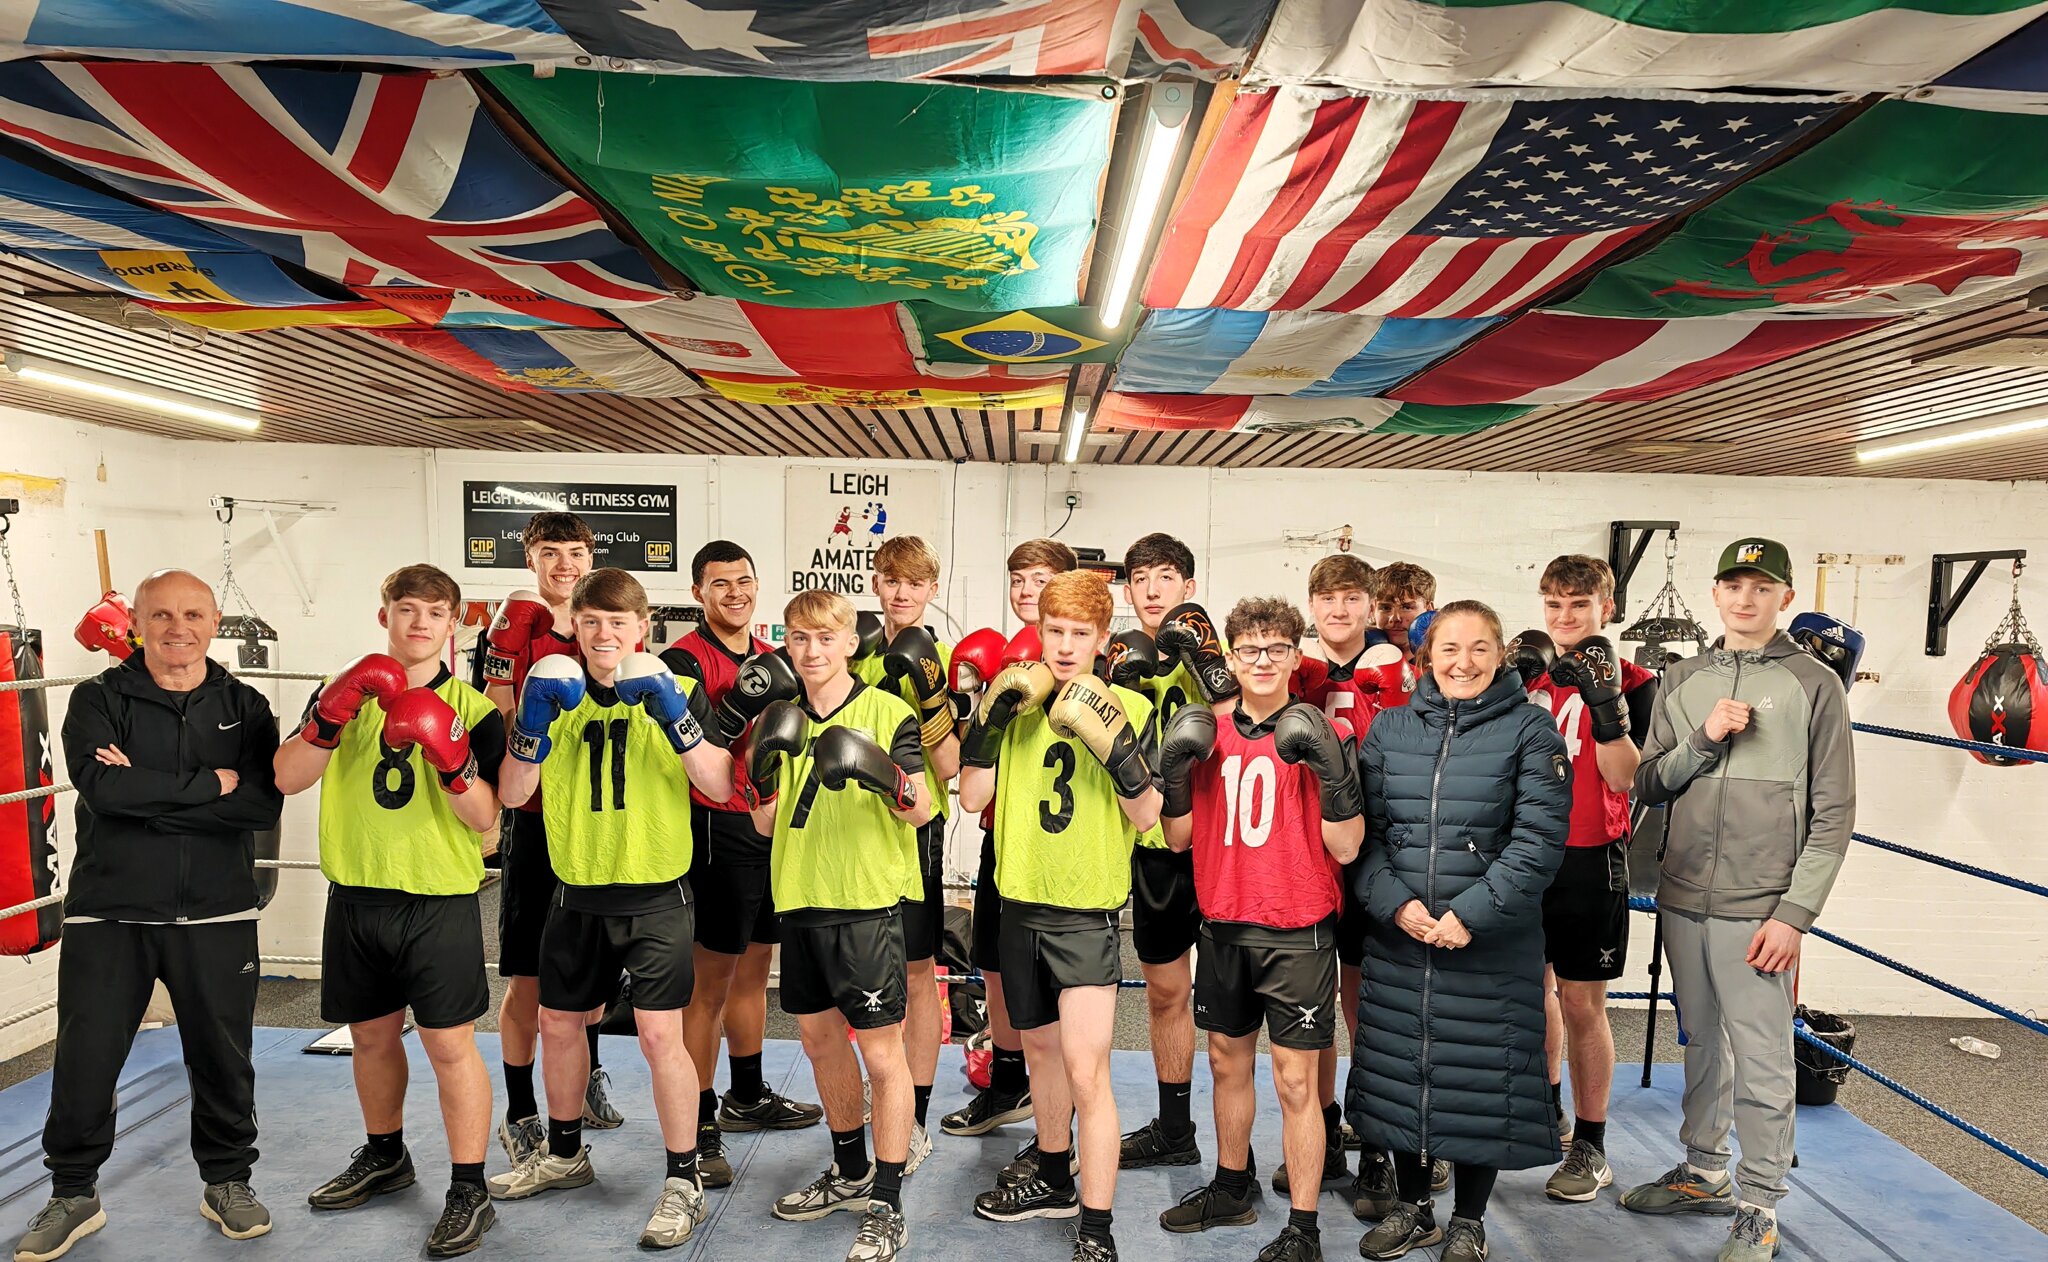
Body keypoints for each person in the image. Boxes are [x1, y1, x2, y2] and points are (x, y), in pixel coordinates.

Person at [22, 569, 283, 1261]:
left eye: (193, 614)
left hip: (218, 914)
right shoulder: (98, 699)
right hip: (111, 913)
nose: (178, 628)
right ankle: (72, 1193)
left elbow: (259, 804)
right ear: (135, 623)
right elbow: (104, 791)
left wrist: (152, 796)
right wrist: (208, 787)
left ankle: (227, 1181)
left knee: (224, 1059)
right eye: (161, 615)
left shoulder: (246, 706)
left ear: (215, 622)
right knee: (87, 1058)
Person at [486, 569, 738, 1251]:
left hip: (656, 895)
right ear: (574, 624)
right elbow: (513, 795)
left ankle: (683, 1179)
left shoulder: (675, 687)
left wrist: (675, 717)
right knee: (559, 1024)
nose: (604, 635)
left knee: (660, 1037)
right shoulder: (551, 691)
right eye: (591, 621)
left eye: (618, 623)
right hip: (576, 892)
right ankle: (566, 1153)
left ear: (642, 627)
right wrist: (529, 724)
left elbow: (719, 784)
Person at [1621, 538, 1856, 1262]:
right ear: (1716, 593)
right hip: (1685, 895)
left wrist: (1794, 915)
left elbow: (1834, 814)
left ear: (1785, 597)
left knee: (1762, 1058)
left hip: (1760, 906)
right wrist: (1704, 738)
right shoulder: (1682, 678)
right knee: (1701, 1043)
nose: (1745, 598)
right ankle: (1704, 1171)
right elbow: (1648, 782)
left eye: (1761, 587)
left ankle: (1759, 1204)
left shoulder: (1816, 684)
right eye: (1733, 585)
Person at [273, 564, 503, 1256]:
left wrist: (452, 759)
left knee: (449, 1046)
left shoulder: (477, 711)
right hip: (356, 894)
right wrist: (328, 716)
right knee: (371, 1038)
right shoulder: (339, 690)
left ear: (454, 623)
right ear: (386, 617)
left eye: (435, 612)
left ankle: (470, 1187)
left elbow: (487, 822)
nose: (420, 622)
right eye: (407, 609)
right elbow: (286, 777)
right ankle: (385, 1155)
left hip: (437, 900)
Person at [1349, 601, 1569, 1262]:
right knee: (1404, 1071)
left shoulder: (1532, 730)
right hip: (1403, 939)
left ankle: (1469, 1219)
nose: (1463, 662)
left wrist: (1470, 915)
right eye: (1450, 648)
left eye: (1479, 648)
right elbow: (1364, 839)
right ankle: (1415, 1209)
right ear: (1427, 657)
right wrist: (1395, 906)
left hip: (1490, 943)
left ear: (1500, 656)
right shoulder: (1389, 729)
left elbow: (1538, 841)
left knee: (1483, 1081)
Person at [960, 571, 1163, 1262]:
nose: (1067, 645)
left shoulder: (1132, 706)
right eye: (1056, 631)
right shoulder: (1016, 700)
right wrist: (988, 720)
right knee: (1041, 1054)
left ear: (1103, 639)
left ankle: (1098, 1230)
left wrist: (1120, 752)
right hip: (1020, 904)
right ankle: (1052, 1178)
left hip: (1085, 913)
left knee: (1086, 1069)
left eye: (1081, 633)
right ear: (1039, 632)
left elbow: (1148, 815)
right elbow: (971, 798)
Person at [1157, 598, 1364, 1262]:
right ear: (1231, 656)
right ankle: (1231, 1187)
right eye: (1250, 649)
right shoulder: (1207, 733)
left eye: (1277, 649)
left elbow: (1348, 846)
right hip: (1223, 925)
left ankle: (1304, 1227)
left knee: (1296, 1082)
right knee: (1226, 1063)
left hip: (1297, 931)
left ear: (1296, 656)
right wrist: (1173, 775)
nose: (1264, 661)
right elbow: (1177, 837)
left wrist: (1332, 770)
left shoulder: (1322, 734)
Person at [745, 590, 932, 1262]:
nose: (812, 650)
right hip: (800, 901)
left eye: (826, 638)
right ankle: (850, 1171)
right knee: (821, 1045)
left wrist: (880, 772)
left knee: (883, 1057)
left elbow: (922, 808)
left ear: (851, 643)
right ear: (787, 645)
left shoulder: (888, 712)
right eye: (799, 638)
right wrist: (760, 775)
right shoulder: (779, 718)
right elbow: (765, 824)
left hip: (866, 906)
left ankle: (887, 1202)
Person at [662, 542, 820, 1189]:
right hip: (715, 829)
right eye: (720, 583)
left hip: (768, 824)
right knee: (710, 984)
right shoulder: (681, 662)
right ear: (698, 593)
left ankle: (747, 1095)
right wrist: (738, 707)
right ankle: (699, 1126)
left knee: (757, 968)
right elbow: (696, 748)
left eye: (744, 581)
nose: (735, 593)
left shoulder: (770, 655)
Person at [1507, 556, 1658, 1205]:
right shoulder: (1528, 671)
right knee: (1528, 992)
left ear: (1607, 608)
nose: (1565, 616)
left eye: (1579, 604)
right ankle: (1547, 1110)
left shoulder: (1637, 682)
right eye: (1554, 604)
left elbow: (1626, 777)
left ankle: (1591, 1146)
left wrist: (1604, 702)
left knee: (1581, 1002)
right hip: (1522, 852)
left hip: (1590, 857)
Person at [480, 512, 617, 1159]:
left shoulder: (604, 623)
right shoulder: (518, 624)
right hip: (537, 820)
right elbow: (497, 716)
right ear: (530, 558)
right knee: (529, 976)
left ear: (591, 558)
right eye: (550, 552)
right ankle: (520, 1110)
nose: (565, 564)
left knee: (593, 976)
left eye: (575, 552)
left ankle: (586, 1077)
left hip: (597, 823)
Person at [941, 538, 1078, 1146]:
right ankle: (1006, 1083)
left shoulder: (1077, 666)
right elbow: (973, 765)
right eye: (1018, 579)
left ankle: (1060, 1127)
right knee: (994, 966)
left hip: (1056, 846)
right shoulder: (999, 654)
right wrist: (975, 700)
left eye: (1040, 578)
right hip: (1000, 833)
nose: (1026, 590)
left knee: (1057, 988)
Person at [1291, 553, 1409, 1214]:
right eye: (1327, 598)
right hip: (1308, 853)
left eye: (1350, 598)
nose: (1338, 610)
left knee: (1369, 1005)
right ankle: (1327, 1135)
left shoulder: (1397, 669)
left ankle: (1379, 1151)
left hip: (1378, 851)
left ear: (1369, 604)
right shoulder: (1294, 670)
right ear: (1312, 605)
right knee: (1312, 1009)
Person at [853, 536, 962, 1173]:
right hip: (855, 828)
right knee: (865, 965)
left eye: (915, 583)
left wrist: (931, 694)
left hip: (916, 826)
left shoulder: (943, 660)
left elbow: (948, 765)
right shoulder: (855, 650)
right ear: (876, 581)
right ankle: (880, 1086)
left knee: (919, 970)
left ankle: (915, 1112)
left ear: (931, 590)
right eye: (892, 580)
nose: (902, 594)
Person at [1107, 533, 1216, 1174]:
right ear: (1127, 589)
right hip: (1153, 849)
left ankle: (1243, 1150)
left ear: (1188, 587)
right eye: (1141, 578)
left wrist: (1205, 663)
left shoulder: (1214, 652)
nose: (1152, 589)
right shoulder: (1116, 659)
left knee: (1233, 1004)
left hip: (1221, 848)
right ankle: (1176, 1130)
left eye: (1166, 576)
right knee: (1166, 992)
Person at [1369, 563, 1437, 708]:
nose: (1395, 618)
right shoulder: (1358, 660)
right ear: (1373, 610)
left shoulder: (1443, 664)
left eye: (1406, 607)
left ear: (1428, 608)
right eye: (1385, 608)